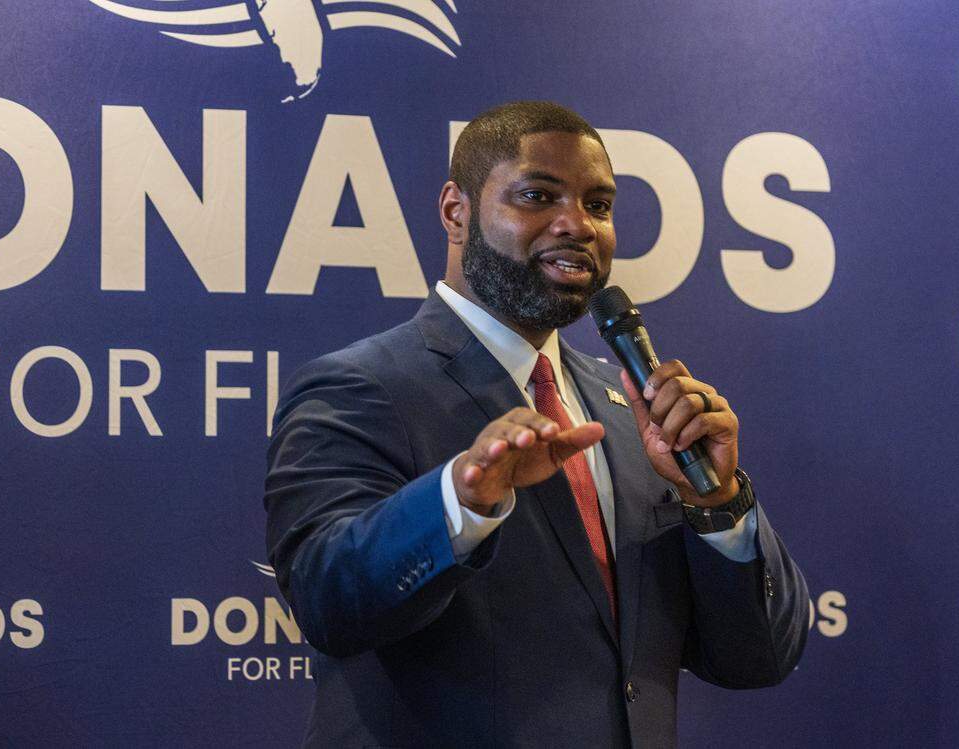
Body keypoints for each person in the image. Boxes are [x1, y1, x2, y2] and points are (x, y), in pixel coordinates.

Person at [264, 101, 809, 748]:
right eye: (537, 195)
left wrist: (718, 501)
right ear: (455, 210)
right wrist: (459, 503)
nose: (576, 224)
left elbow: (760, 655)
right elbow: (328, 601)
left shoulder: (634, 412)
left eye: (599, 205)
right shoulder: (360, 386)